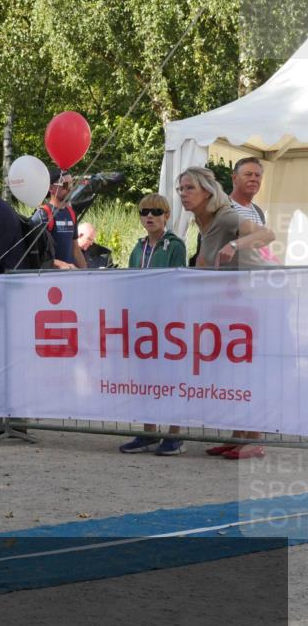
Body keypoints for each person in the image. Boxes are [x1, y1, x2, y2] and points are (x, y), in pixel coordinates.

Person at [177, 166, 275, 460]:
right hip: (230, 309)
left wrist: (236, 244)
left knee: (245, 373)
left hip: (256, 303)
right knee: (231, 373)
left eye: (189, 188)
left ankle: (255, 440)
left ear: (207, 191)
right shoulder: (203, 224)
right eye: (181, 189)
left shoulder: (228, 216)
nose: (183, 194)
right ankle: (237, 436)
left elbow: (267, 234)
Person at [117, 194, 188, 456]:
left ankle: (174, 434)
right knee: (145, 379)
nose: (150, 216)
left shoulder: (175, 246)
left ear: (167, 216)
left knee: (170, 379)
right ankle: (148, 432)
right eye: (145, 211)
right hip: (141, 323)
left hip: (167, 323)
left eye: (156, 211)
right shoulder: (138, 247)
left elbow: (177, 284)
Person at [31, 169, 88, 270]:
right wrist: (60, 265)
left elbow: (75, 248)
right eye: (66, 185)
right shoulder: (43, 215)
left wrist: (86, 273)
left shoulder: (71, 213)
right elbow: (36, 253)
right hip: (50, 279)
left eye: (72, 184)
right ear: (51, 188)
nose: (71, 188)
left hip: (68, 277)